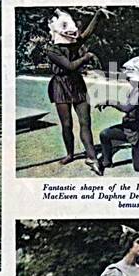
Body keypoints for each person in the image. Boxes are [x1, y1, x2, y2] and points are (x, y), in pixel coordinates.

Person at [45, 9, 103, 173]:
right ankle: (70, 153)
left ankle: (92, 157)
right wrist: (86, 57)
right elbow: (69, 66)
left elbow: (88, 33)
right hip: (60, 85)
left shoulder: (74, 43)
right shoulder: (52, 50)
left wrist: (98, 15)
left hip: (77, 84)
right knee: (67, 124)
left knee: (86, 122)